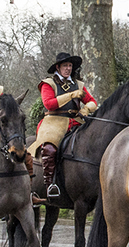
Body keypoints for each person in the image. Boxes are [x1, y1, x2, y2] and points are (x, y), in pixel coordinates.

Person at [28, 52, 97, 200]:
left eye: (70, 66)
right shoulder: (48, 83)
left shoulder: (78, 84)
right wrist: (71, 95)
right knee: (49, 147)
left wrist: (85, 109)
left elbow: (93, 102)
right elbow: (49, 104)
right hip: (54, 120)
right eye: (65, 66)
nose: (68, 69)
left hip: (76, 120)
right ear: (58, 67)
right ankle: (50, 184)